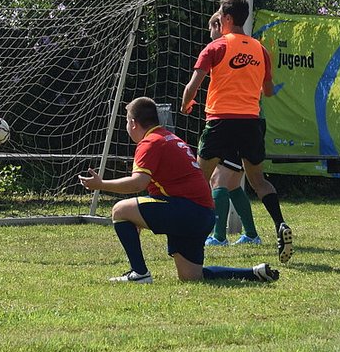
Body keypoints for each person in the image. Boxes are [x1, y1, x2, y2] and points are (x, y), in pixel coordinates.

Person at [78, 97, 278, 284]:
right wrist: (137, 216)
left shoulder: (150, 142)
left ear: (133, 123)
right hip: (202, 213)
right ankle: (253, 272)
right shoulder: (169, 138)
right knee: (191, 276)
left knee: (120, 210)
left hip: (187, 210)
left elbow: (138, 183)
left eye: (126, 122)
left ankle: (139, 273)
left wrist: (101, 185)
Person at [180, 0, 294, 263]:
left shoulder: (215, 48)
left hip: (220, 121)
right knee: (258, 181)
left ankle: (192, 233)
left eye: (220, 15)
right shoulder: (260, 50)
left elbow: (192, 86)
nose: (219, 18)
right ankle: (280, 223)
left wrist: (186, 104)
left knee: (199, 179)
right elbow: (268, 91)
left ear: (228, 19)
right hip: (251, 124)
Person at [197, 11, 263, 248]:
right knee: (232, 183)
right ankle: (252, 235)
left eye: (211, 29)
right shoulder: (242, 50)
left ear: (220, 25)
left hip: (232, 124)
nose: (210, 35)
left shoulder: (225, 48)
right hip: (246, 124)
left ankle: (219, 236)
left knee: (218, 180)